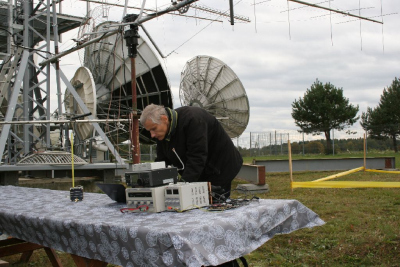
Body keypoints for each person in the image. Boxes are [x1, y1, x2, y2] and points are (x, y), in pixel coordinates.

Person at [140, 104, 243, 199]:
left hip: (220, 167)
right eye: (150, 131)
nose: (152, 135)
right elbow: (162, 161)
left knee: (213, 203)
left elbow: (197, 156)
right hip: (200, 168)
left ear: (164, 119)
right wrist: (151, 183)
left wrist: (183, 186)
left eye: (153, 129)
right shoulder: (162, 132)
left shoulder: (193, 119)